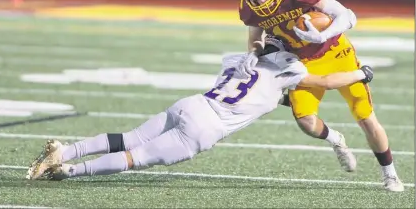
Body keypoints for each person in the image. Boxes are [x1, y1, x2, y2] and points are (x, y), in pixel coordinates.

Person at [26, 37, 373, 181]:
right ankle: (69, 171)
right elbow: (326, 82)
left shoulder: (239, 59)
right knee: (134, 158)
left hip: (192, 103)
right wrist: (362, 72)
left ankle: (66, 150)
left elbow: (260, 84)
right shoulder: (289, 71)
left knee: (129, 137)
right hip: (204, 128)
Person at [236, 0, 403, 192]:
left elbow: (348, 15)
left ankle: (390, 174)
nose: (261, 0)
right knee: (305, 121)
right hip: (303, 61)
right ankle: (336, 139)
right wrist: (253, 53)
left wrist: (323, 34)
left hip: (336, 52)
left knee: (364, 115)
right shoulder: (250, 9)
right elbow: (256, 40)